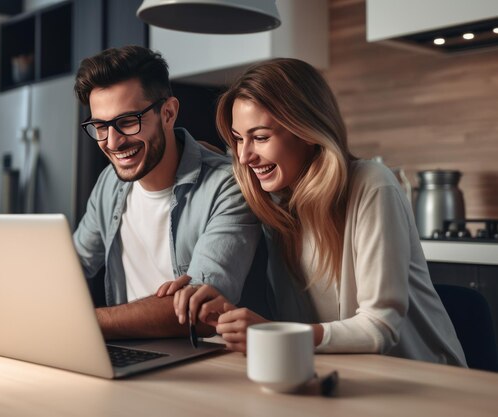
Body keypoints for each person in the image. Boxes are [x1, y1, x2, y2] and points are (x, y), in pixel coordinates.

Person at [0, 45, 267, 348]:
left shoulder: (229, 184)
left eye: (127, 122)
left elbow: (201, 310)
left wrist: (60, 324)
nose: (112, 142)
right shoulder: (111, 183)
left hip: (207, 362)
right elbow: (70, 268)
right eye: (99, 126)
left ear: (168, 113)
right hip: (131, 351)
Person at [158, 58, 466, 366]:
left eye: (260, 137)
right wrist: (218, 312)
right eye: (238, 139)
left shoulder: (372, 184)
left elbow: (380, 328)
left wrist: (274, 333)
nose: (244, 155)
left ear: (306, 129)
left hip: (425, 382)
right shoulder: (274, 204)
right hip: (345, 378)